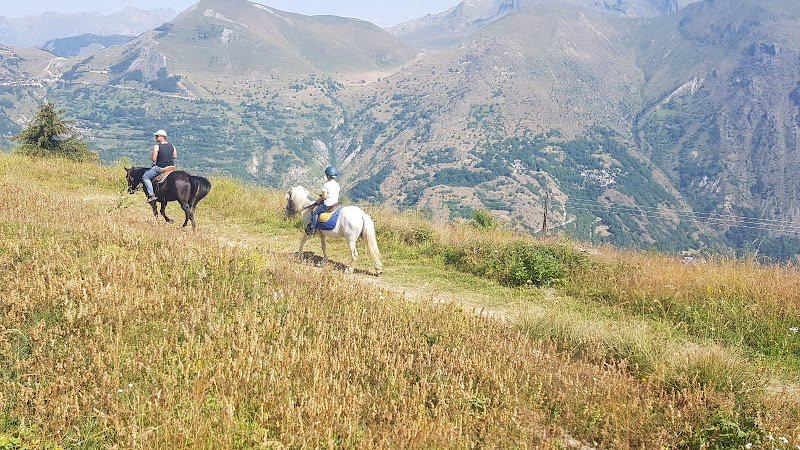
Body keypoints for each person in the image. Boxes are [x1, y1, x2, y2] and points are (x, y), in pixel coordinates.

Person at [142, 129, 177, 202]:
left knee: (145, 177)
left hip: (161, 168)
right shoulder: (172, 146)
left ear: (162, 137)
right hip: (171, 167)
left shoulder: (157, 146)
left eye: (157, 136)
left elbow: (153, 159)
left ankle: (151, 195)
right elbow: (175, 156)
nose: (156, 137)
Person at [307, 165, 340, 235]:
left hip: (328, 204)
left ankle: (312, 229)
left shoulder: (326, 185)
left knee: (314, 212)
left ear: (328, 175)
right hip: (335, 203)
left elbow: (324, 197)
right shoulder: (337, 184)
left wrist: (318, 200)